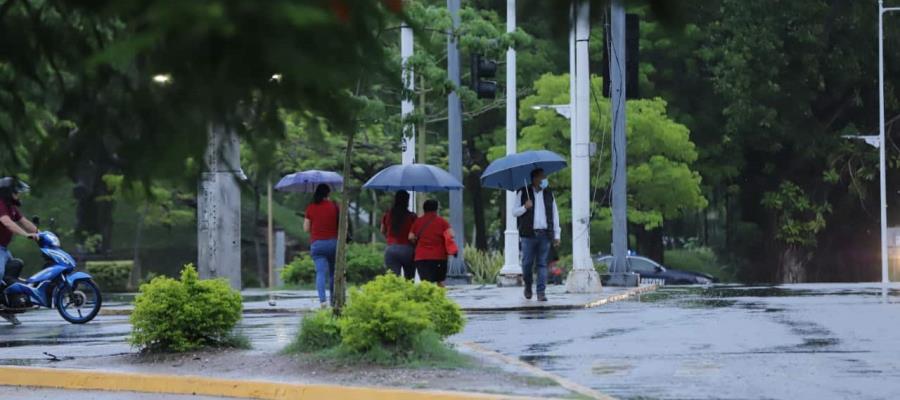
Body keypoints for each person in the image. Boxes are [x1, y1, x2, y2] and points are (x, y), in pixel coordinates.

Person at [513, 168, 561, 302]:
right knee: (527, 263)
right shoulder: (523, 192)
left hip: (544, 234)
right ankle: (528, 286)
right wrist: (524, 207)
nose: (545, 180)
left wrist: (557, 234)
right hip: (528, 235)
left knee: (542, 264)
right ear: (535, 179)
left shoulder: (548, 194)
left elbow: (554, 214)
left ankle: (541, 292)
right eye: (542, 177)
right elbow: (514, 212)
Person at [0, 177, 38, 325]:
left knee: (13, 272)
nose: (19, 194)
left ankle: (6, 308)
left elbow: (24, 222)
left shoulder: (11, 207)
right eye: (17, 192)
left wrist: (41, 234)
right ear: (8, 192)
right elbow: (7, 223)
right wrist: (26, 235)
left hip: (3, 249)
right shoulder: (0, 204)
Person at [304, 184, 339, 308]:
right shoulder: (335, 206)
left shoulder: (311, 208)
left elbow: (306, 228)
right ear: (328, 194)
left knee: (320, 272)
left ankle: (323, 301)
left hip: (318, 244)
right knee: (333, 273)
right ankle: (334, 300)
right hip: (334, 243)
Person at [408, 199, 456, 287]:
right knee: (439, 281)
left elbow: (410, 237)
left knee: (425, 283)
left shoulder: (418, 221)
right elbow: (452, 234)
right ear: (436, 209)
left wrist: (417, 240)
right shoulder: (442, 221)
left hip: (421, 257)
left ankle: (428, 299)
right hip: (439, 256)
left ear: (424, 209)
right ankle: (442, 298)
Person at [381, 191, 417, 280]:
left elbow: (382, 230)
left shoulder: (387, 214)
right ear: (407, 201)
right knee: (409, 279)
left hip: (391, 249)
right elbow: (415, 234)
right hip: (408, 250)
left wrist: (389, 238)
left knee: (393, 281)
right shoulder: (412, 216)